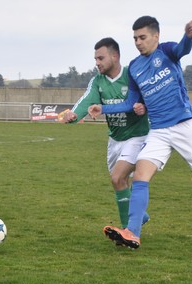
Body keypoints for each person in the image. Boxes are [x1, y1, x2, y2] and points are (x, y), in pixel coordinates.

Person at [88, 16, 192, 249]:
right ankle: (132, 232)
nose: (138, 42)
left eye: (142, 37)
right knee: (141, 175)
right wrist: (103, 108)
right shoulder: (135, 68)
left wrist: (189, 36)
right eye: (135, 38)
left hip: (185, 127)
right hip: (159, 131)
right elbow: (131, 102)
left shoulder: (167, 51)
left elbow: (183, 48)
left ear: (156, 36)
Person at [62, 37, 150, 229]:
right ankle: (138, 215)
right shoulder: (98, 81)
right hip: (115, 139)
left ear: (115, 56)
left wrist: (144, 107)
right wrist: (73, 114)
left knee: (117, 178)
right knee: (120, 183)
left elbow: (150, 98)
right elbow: (87, 100)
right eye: (95, 59)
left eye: (101, 58)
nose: (97, 63)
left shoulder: (132, 75)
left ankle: (129, 232)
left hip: (137, 136)